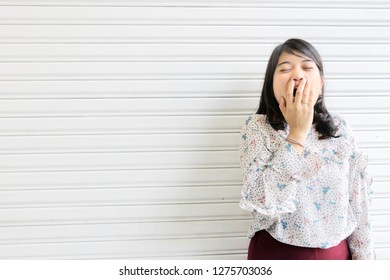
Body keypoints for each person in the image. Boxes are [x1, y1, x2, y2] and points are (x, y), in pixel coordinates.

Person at [239, 38, 374, 260]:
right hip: (277, 251)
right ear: (270, 83)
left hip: (337, 255)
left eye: (307, 67)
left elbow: (359, 205)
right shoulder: (257, 129)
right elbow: (262, 199)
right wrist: (297, 134)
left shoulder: (340, 130)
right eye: (285, 69)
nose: (297, 75)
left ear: (320, 82)